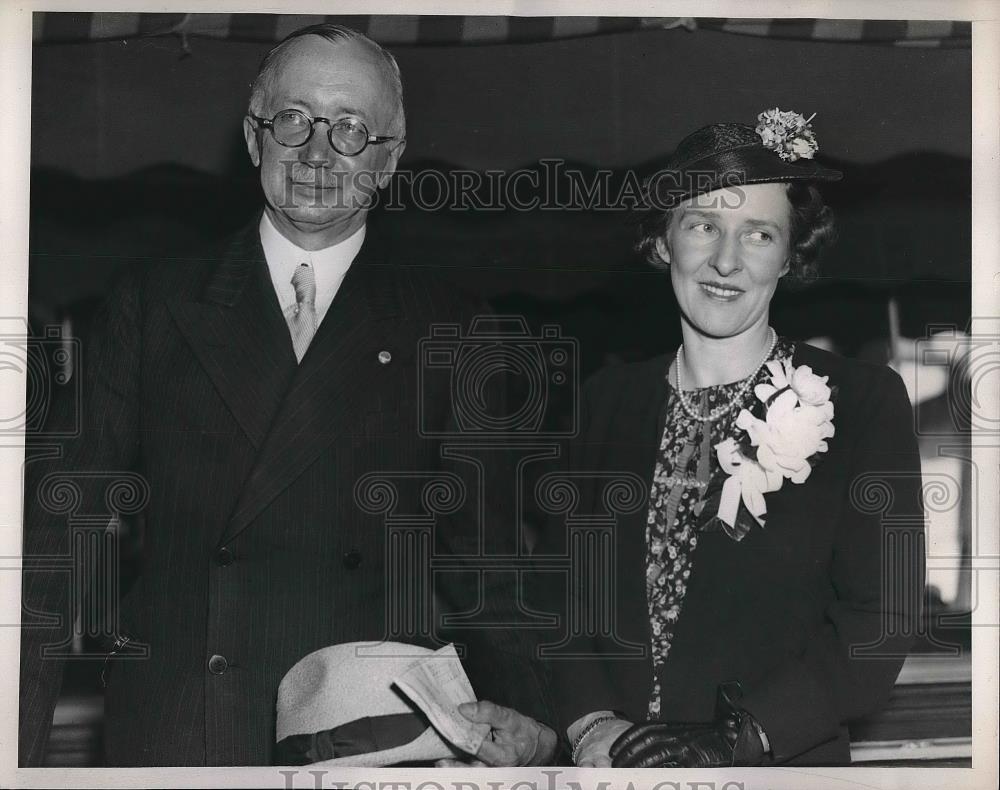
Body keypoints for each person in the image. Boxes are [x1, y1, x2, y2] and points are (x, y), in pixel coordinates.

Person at [19, 23, 554, 767]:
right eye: (294, 119)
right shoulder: (154, 303)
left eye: (351, 129)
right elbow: (56, 544)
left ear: (390, 158)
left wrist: (535, 732)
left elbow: (487, 571)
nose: (316, 152)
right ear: (253, 137)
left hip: (362, 738)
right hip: (179, 735)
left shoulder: (454, 326)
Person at [533, 111, 926, 767]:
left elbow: (878, 623)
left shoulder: (863, 401)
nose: (725, 260)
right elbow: (560, 595)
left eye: (758, 233)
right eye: (704, 224)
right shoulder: (605, 403)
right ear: (664, 240)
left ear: (790, 253)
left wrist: (741, 736)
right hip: (612, 770)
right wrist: (591, 725)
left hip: (779, 771)